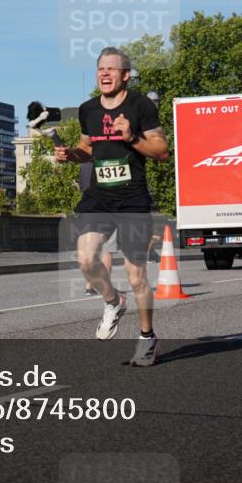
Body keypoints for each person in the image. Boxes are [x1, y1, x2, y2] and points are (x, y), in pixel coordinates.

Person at [55, 47, 169, 367]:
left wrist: (132, 137)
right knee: (85, 258)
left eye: (111, 69)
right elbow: (86, 150)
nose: (104, 74)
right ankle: (113, 301)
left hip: (132, 198)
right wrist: (70, 155)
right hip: (99, 195)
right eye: (100, 69)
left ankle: (147, 337)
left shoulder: (140, 104)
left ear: (125, 75)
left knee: (137, 278)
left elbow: (161, 150)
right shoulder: (88, 109)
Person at [77, 161, 114, 296]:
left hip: (88, 209)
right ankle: (105, 287)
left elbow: (82, 187)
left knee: (90, 251)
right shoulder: (111, 161)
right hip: (107, 208)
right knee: (107, 249)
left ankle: (89, 286)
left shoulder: (84, 163)